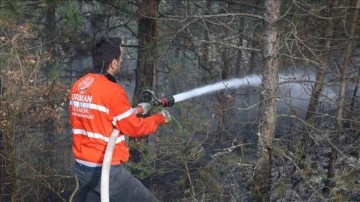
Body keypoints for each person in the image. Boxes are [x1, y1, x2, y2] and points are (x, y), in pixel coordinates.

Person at [69, 37, 171, 202]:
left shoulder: (79, 86)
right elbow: (135, 128)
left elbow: (103, 117)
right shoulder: (112, 91)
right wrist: (159, 118)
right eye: (121, 59)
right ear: (114, 63)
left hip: (83, 168)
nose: (121, 62)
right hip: (107, 172)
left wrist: (138, 109)